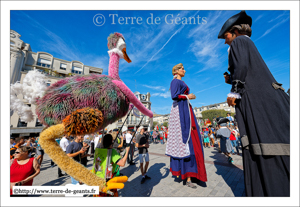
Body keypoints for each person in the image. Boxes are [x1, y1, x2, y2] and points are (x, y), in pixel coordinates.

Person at [218, 10, 290, 196]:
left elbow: (241, 67)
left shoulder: (240, 41)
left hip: (257, 100)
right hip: (267, 97)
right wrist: (232, 78)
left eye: (226, 36)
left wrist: (233, 91)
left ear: (234, 31)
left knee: (263, 144)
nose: (225, 41)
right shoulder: (248, 43)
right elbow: (247, 70)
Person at [165, 63, 207, 189]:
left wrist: (188, 98)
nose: (185, 70)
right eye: (182, 68)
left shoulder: (180, 81)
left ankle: (192, 174)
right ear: (176, 71)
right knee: (186, 138)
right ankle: (187, 175)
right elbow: (174, 96)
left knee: (192, 139)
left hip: (185, 108)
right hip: (181, 111)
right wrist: (188, 96)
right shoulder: (175, 81)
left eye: (184, 68)